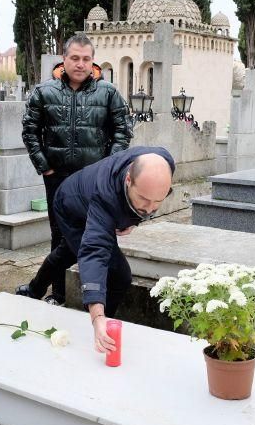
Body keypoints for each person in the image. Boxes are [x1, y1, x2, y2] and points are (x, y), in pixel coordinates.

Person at [22, 146, 174, 352]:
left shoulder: (162, 162)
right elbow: (95, 251)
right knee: (119, 274)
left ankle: (32, 291)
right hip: (69, 207)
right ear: (128, 179)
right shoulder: (106, 194)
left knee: (67, 251)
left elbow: (146, 200)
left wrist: (134, 219)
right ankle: (103, 326)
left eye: (157, 202)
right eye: (144, 201)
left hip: (85, 198)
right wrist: (97, 315)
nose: (149, 209)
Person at [18, 34, 131, 306]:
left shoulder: (108, 93)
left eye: (86, 59)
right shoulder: (44, 93)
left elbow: (123, 132)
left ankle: (48, 288)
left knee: (92, 232)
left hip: (93, 180)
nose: (80, 64)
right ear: (64, 59)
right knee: (60, 236)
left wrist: (107, 169)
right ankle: (57, 294)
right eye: (74, 58)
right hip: (57, 178)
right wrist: (44, 167)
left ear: (93, 62)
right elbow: (30, 131)